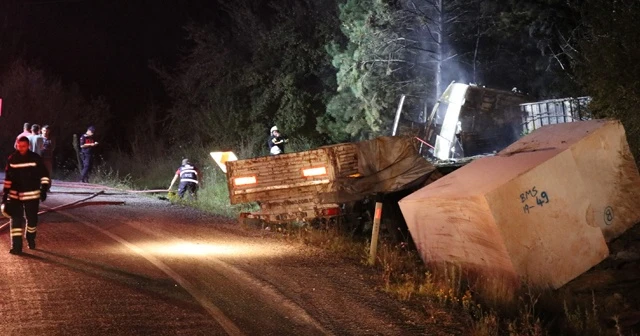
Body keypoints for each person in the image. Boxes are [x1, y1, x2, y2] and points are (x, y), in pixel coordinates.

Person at [2, 136, 50, 254]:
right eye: (19, 146)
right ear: (16, 145)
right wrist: (5, 195)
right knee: (15, 220)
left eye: (24, 146)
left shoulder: (35, 158)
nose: (21, 148)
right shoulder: (12, 159)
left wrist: (43, 189)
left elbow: (44, 175)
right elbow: (8, 178)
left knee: (32, 220)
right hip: (15, 195)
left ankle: (30, 237)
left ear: (28, 146)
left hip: (32, 195)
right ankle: (16, 247)